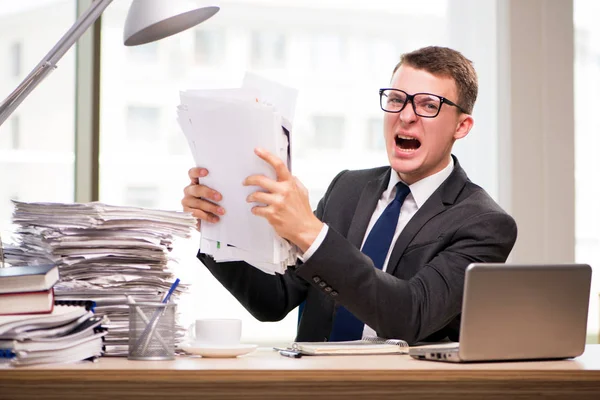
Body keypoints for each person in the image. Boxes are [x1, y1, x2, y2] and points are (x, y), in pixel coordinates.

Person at [181, 46, 517, 344]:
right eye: (397, 99)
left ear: (462, 126)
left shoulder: (485, 223)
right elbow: (273, 301)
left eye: (428, 104)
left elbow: (411, 315)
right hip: (315, 386)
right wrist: (217, 226)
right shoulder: (347, 189)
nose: (406, 115)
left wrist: (310, 233)